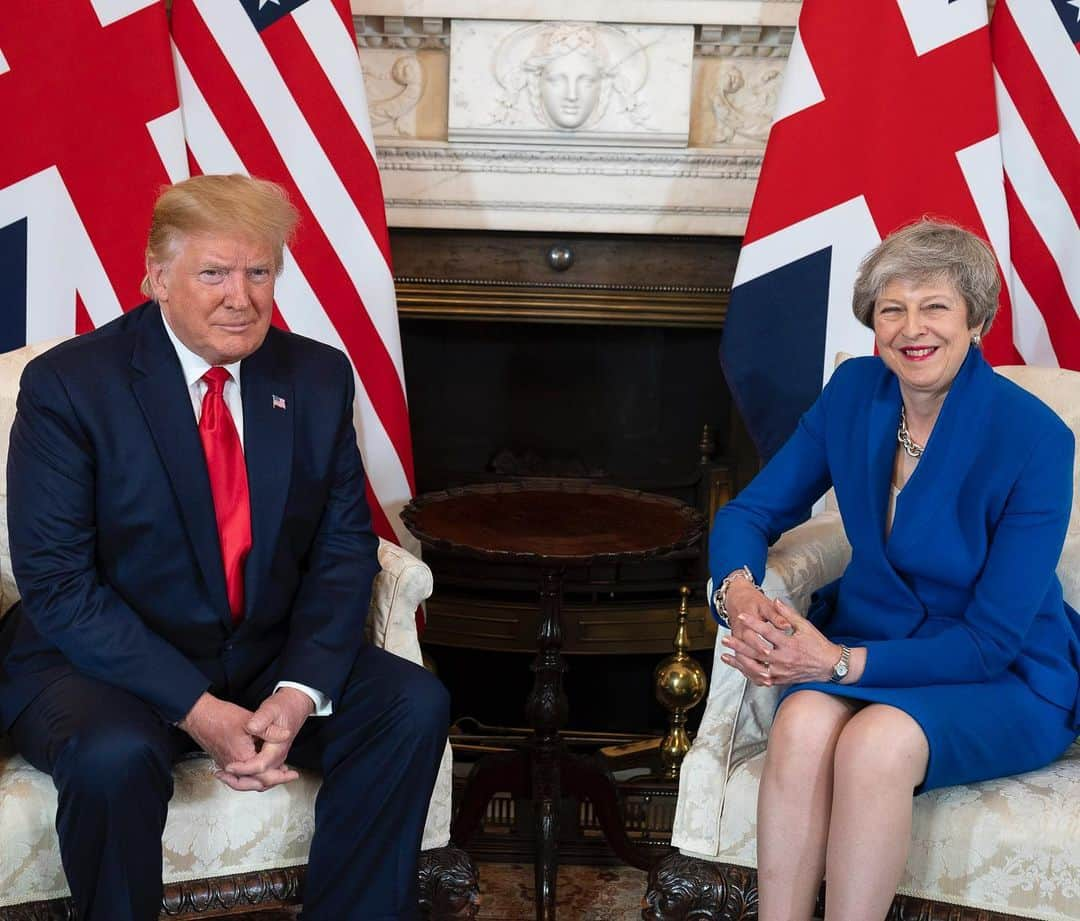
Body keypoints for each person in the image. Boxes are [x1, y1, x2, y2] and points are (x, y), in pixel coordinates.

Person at [0, 174, 449, 921]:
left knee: (409, 704)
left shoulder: (314, 376)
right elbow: (58, 584)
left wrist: (298, 690)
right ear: (156, 277)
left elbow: (343, 550)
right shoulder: (70, 387)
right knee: (114, 756)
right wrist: (195, 707)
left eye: (258, 271)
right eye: (213, 272)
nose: (239, 296)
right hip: (103, 662)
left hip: (263, 653)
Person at [709, 219, 1080, 921]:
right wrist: (740, 590)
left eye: (935, 305)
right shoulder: (854, 392)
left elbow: (989, 642)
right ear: (873, 323)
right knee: (801, 726)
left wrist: (837, 661)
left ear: (976, 318)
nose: (914, 327)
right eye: (892, 308)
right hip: (869, 642)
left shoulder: (1034, 438)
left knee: (876, 745)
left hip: (1001, 674)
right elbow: (749, 513)